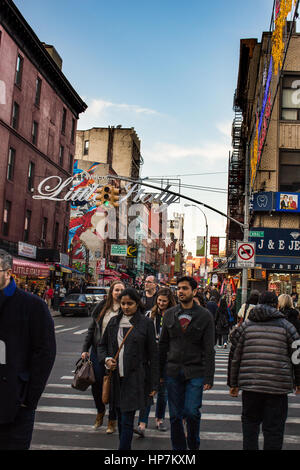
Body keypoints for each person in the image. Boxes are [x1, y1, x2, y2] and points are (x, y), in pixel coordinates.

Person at [228, 291, 300, 450]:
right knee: (274, 430)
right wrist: (298, 381)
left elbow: (235, 356)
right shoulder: (287, 327)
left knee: (250, 428)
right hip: (277, 387)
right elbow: (297, 356)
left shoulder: (246, 327)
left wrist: (233, 383)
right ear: (276, 305)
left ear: (259, 304)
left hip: (251, 386)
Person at [0, 249, 56, 450]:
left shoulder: (33, 306)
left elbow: (45, 354)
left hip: (15, 405)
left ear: (8, 272)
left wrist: (28, 400)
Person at [98, 288, 159, 450]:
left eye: (130, 304)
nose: (126, 307)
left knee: (126, 419)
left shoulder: (145, 324)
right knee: (120, 416)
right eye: (123, 303)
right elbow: (102, 346)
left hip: (135, 378)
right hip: (116, 379)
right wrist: (106, 360)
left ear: (137, 304)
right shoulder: (113, 322)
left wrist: (154, 383)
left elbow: (153, 354)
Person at [159, 276, 215, 450]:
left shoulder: (205, 316)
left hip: (195, 371)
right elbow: (163, 345)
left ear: (194, 291)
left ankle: (193, 444)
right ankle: (179, 450)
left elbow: (209, 349)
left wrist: (209, 377)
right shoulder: (169, 314)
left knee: (191, 412)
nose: (180, 291)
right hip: (173, 371)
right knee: (175, 415)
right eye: (179, 288)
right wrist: (159, 373)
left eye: (184, 288)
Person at [81, 280, 125, 433]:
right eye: (116, 290)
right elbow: (92, 329)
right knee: (96, 383)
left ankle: (112, 420)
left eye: (121, 290)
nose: (119, 293)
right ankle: (100, 411)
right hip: (98, 350)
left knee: (114, 387)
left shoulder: (126, 308)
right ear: (111, 292)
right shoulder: (101, 307)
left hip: (116, 352)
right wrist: (85, 348)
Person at [136, 288, 176, 436]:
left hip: (167, 357)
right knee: (148, 390)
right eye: (159, 300)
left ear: (169, 301)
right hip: (151, 357)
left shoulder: (174, 315)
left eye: (164, 301)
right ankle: (142, 423)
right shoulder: (149, 315)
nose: (161, 303)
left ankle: (159, 419)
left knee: (163, 391)